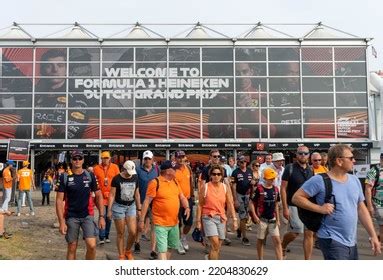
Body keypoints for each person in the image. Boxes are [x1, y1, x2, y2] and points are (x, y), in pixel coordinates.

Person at [292, 144, 381, 260]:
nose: (354, 161)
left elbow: (361, 208)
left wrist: (373, 235)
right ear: (339, 161)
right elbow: (297, 198)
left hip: (351, 241)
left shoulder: (354, 180)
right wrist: (320, 208)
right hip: (331, 239)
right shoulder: (319, 180)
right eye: (350, 158)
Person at [55, 150, 105, 260]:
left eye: (79, 158)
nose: (77, 160)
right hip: (71, 216)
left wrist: (101, 216)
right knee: (72, 247)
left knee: (92, 246)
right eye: (74, 158)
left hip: (87, 215)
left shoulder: (90, 175)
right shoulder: (64, 177)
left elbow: (99, 196)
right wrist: (61, 222)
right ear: (71, 161)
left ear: (83, 160)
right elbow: (59, 201)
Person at [138, 160, 190, 260]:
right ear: (168, 171)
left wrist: (187, 207)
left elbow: (182, 196)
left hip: (174, 223)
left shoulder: (175, 181)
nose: (177, 171)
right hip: (160, 223)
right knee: (162, 250)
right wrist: (141, 220)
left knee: (170, 248)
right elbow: (146, 201)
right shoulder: (155, 182)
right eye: (175, 170)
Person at [32, 49, 89, 139]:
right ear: (42, 70)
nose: (55, 70)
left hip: (58, 149)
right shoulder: (33, 96)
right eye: (49, 66)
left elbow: (71, 135)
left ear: (67, 70)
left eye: (60, 65)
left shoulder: (77, 98)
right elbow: (21, 129)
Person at [196, 164, 237, 260]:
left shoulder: (225, 187)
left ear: (222, 176)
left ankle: (209, 258)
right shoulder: (205, 187)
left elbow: (230, 203)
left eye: (218, 174)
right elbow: (200, 205)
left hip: (221, 218)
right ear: (210, 175)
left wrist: (234, 219)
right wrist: (198, 221)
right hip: (208, 217)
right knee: (215, 243)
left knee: (217, 246)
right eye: (214, 174)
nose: (216, 176)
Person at [280, 146, 314, 260]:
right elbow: (283, 188)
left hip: (308, 206)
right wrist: (285, 208)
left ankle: (307, 260)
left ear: (309, 155)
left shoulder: (311, 170)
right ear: (296, 155)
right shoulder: (289, 168)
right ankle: (283, 245)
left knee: (309, 233)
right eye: (300, 153)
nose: (303, 155)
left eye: (305, 153)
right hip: (293, 205)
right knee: (295, 232)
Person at [107, 160, 141, 260]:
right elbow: (112, 195)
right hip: (119, 206)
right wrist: (109, 209)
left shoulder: (135, 177)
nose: (130, 174)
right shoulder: (116, 179)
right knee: (120, 232)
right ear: (124, 169)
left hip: (131, 205)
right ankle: (121, 254)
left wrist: (139, 208)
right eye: (128, 172)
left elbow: (137, 193)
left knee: (133, 231)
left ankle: (128, 250)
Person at [249, 168, 282, 260]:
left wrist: (278, 220)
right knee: (261, 240)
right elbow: (251, 203)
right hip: (262, 220)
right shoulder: (259, 189)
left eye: (273, 178)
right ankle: (261, 259)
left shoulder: (275, 190)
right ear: (265, 178)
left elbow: (276, 205)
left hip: (273, 220)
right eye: (270, 178)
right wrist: (255, 216)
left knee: (277, 241)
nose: (272, 180)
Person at [135, 150, 160, 259]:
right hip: (141, 201)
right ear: (143, 159)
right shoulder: (138, 170)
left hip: (154, 202)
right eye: (145, 158)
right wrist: (137, 204)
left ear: (152, 159)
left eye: (149, 158)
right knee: (139, 225)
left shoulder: (157, 170)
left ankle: (153, 250)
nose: (147, 160)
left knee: (154, 226)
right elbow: (135, 187)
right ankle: (137, 242)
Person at [93, 151, 120, 244]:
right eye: (104, 158)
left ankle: (107, 235)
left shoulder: (115, 167)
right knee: (102, 215)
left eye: (107, 158)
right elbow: (93, 182)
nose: (105, 159)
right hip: (100, 197)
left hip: (111, 197)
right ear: (101, 158)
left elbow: (118, 180)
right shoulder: (96, 168)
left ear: (110, 158)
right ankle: (101, 236)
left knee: (109, 217)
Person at [174, 150, 195, 255]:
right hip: (177, 200)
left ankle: (183, 237)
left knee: (189, 222)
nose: (181, 159)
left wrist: (192, 195)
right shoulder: (173, 170)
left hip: (188, 199)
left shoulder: (188, 169)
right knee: (178, 223)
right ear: (175, 158)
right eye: (179, 157)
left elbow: (191, 183)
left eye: (182, 157)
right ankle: (178, 243)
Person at [231, 155, 253, 246]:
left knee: (246, 217)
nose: (243, 163)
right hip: (239, 195)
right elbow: (233, 186)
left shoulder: (249, 171)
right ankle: (244, 237)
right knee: (243, 216)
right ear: (238, 162)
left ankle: (240, 230)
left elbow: (252, 184)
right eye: (241, 162)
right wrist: (235, 199)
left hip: (248, 195)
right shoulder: (235, 172)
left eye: (244, 162)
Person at [365, 153, 383, 245]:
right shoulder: (374, 171)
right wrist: (369, 206)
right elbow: (368, 189)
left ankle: (376, 237)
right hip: (378, 203)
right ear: (381, 159)